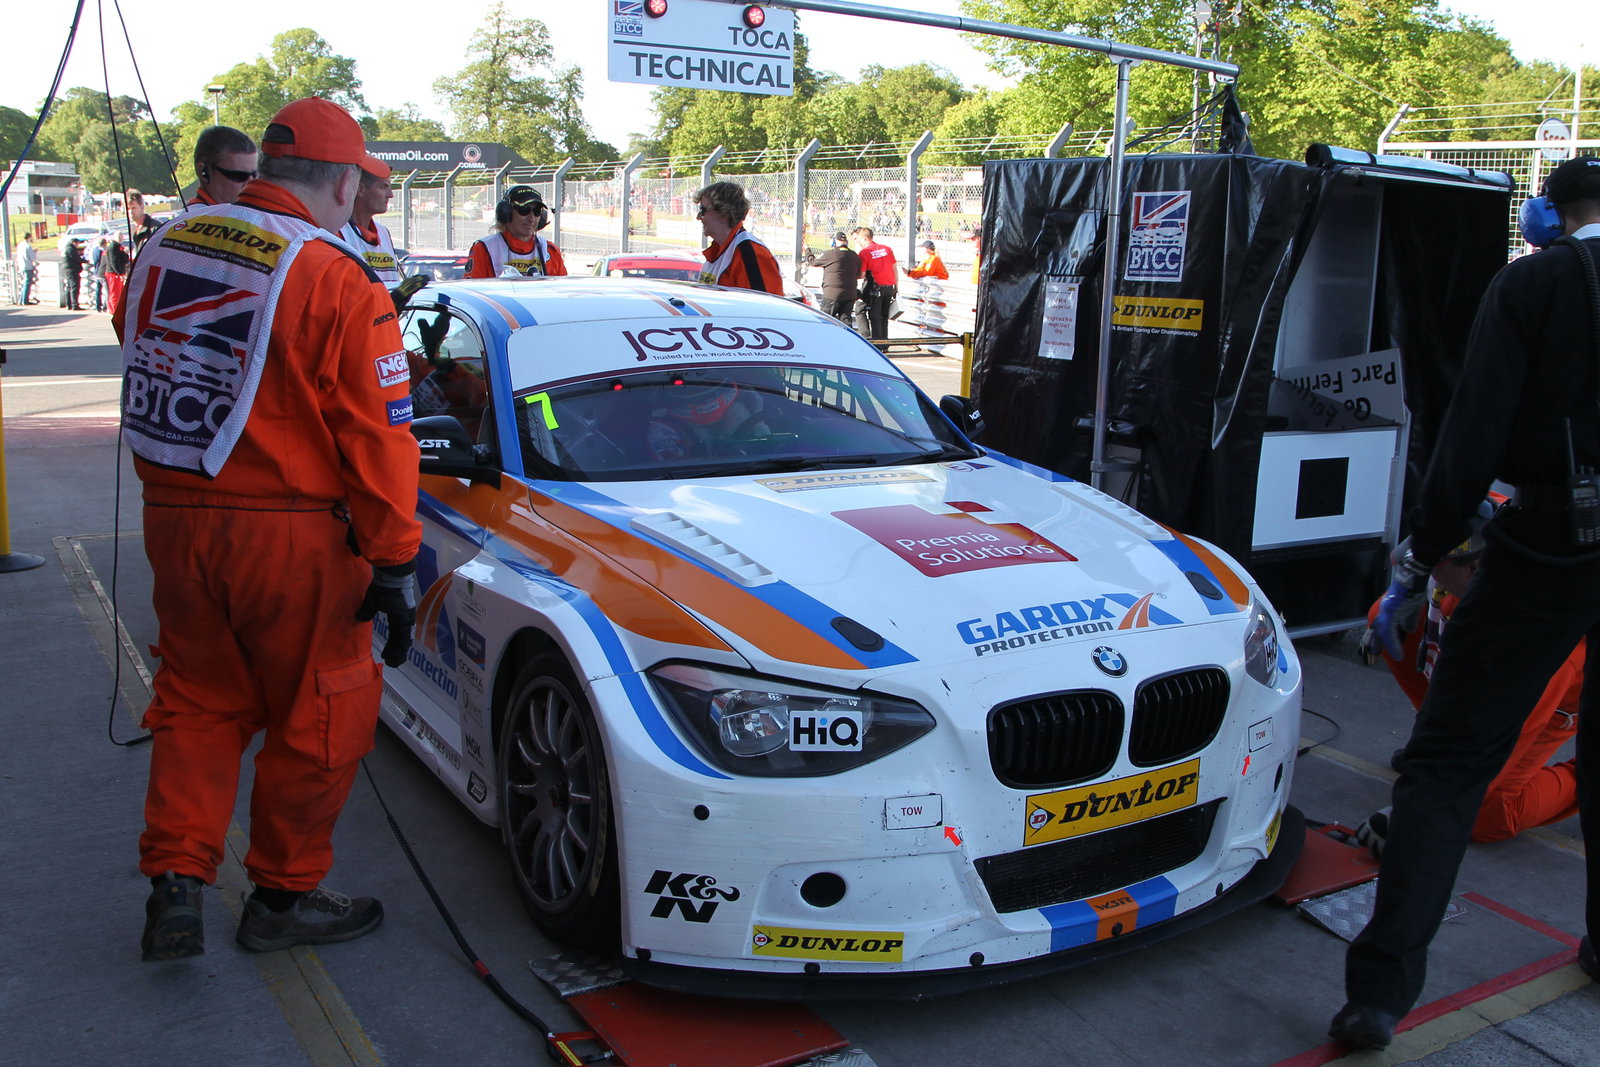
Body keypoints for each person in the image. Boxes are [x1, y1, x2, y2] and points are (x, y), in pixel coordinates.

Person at [115, 96, 422, 964]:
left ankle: (177, 880)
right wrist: (395, 560)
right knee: (323, 708)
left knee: (198, 701)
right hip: (288, 537)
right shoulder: (335, 276)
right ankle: (282, 897)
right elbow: (379, 433)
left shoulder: (162, 248)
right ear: (338, 180)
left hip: (174, 520)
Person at [1330, 155, 1600, 1051]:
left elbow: (1472, 432)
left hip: (1554, 546)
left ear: (1553, 215)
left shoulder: (1537, 285)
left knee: (1445, 769)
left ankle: (1380, 992)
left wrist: (1426, 547)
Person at [1357, 500, 1581, 849]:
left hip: (1557, 696)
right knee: (1388, 620)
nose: (1430, 580)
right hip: (1495, 618)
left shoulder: (1540, 639)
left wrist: (1420, 810)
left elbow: (1500, 743)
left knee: (1482, 813)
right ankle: (1437, 737)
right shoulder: (1485, 514)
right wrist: (1405, 594)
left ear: (1474, 570)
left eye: (1434, 572)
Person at [694, 180, 783, 294]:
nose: (698, 217)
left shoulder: (750, 253)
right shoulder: (717, 252)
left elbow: (766, 307)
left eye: (703, 210)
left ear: (724, 213)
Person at [464, 184, 567, 278]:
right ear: (506, 212)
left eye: (536, 212)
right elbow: (471, 293)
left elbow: (562, 293)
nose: (531, 218)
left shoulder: (550, 251)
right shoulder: (484, 249)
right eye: (524, 210)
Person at [341, 154, 403, 287]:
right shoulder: (338, 232)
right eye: (384, 187)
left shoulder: (383, 232)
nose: (390, 195)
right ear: (360, 189)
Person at [187, 124, 258, 209]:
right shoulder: (191, 218)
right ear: (203, 172)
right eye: (239, 176)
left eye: (255, 175)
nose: (251, 184)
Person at [803, 230, 860, 324]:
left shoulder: (830, 254)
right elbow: (859, 273)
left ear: (835, 241)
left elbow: (813, 262)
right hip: (850, 294)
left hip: (832, 295)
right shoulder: (854, 255)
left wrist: (807, 250)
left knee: (826, 321)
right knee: (846, 321)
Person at [852, 226, 898, 340]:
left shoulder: (865, 252)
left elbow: (862, 275)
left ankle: (875, 343)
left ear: (865, 239)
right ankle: (885, 343)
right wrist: (896, 287)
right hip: (889, 286)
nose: (858, 242)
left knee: (874, 316)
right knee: (884, 316)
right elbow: (894, 269)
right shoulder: (887, 249)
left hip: (875, 288)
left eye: (859, 239)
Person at [123, 188, 161, 257]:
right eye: (128, 209)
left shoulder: (155, 228)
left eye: (134, 208)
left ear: (142, 206)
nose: (131, 212)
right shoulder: (134, 230)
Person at [14, 232, 39, 304]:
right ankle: (25, 300)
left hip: (21, 265)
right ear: (29, 237)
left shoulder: (20, 245)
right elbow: (32, 257)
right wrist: (34, 252)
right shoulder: (28, 246)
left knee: (25, 283)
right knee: (27, 283)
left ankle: (21, 300)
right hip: (27, 266)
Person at [62, 237, 85, 310]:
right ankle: (75, 304)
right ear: (74, 243)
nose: (78, 245)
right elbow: (76, 258)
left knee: (69, 286)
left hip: (67, 269)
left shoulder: (67, 248)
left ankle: (68, 304)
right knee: (74, 286)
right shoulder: (71, 249)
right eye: (78, 243)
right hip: (72, 269)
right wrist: (85, 261)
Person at [89, 237, 108, 311]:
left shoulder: (95, 250)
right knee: (106, 290)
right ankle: (104, 306)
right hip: (102, 272)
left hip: (96, 271)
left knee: (98, 289)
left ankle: (98, 305)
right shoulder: (102, 252)